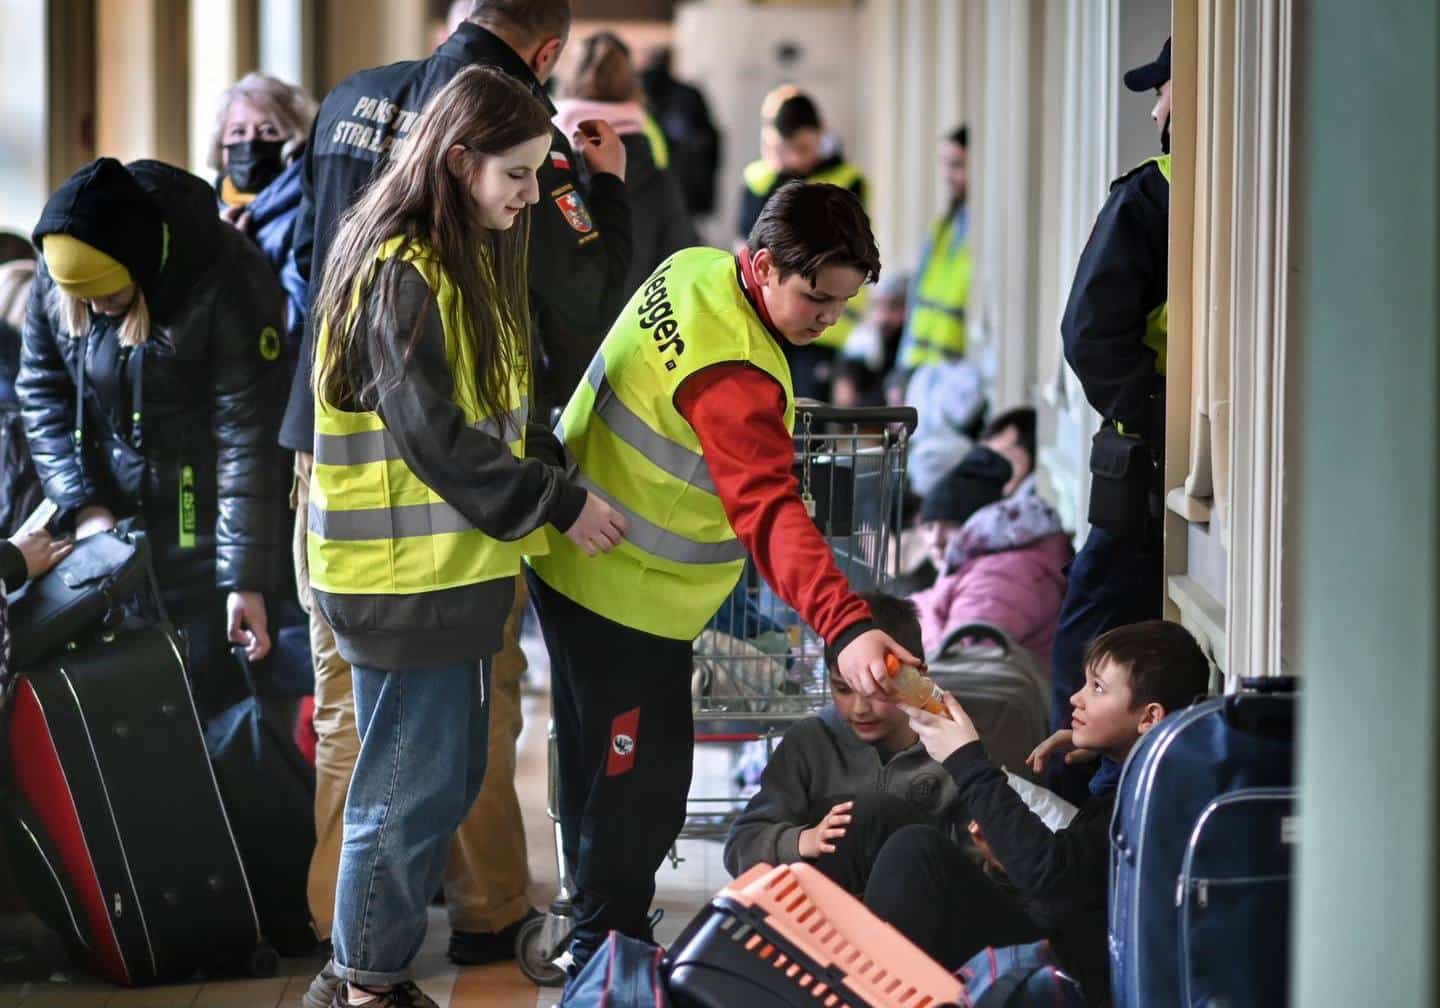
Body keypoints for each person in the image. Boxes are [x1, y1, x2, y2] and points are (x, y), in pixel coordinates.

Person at [287, 0, 633, 980]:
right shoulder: (401, 270)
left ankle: (364, 969)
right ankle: (364, 981)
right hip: (402, 580)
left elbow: (494, 409)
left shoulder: (463, 254)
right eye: (518, 176)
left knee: (433, 786)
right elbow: (435, 436)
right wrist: (558, 501)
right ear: (456, 163)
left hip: (449, 570)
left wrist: (550, 466)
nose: (532, 196)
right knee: (398, 799)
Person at [527, 181, 920, 975]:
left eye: (842, 304)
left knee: (599, 769)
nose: (827, 320)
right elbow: (770, 511)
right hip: (624, 592)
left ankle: (601, 935)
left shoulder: (695, 269)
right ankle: (606, 955)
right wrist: (845, 624)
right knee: (640, 788)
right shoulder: (735, 374)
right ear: (765, 265)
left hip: (574, 555)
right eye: (816, 298)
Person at [20, 156, 290, 717]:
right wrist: (84, 505)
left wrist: (244, 581)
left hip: (205, 523)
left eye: (110, 298)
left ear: (143, 272)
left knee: (211, 700)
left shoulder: (228, 278)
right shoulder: (56, 270)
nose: (95, 310)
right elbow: (42, 393)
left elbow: (247, 438)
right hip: (109, 525)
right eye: (81, 300)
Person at [864, 619, 1210, 1005]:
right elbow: (1079, 879)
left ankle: (857, 990)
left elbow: (1055, 880)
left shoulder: (1148, 805)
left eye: (1097, 688)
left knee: (916, 852)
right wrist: (1108, 749)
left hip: (1073, 978)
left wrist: (967, 759)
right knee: (876, 818)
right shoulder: (1154, 775)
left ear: (1149, 718)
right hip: (1058, 936)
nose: (1076, 698)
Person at [1050, 38, 1172, 804]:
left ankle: (1069, 820)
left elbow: (1088, 335)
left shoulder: (1151, 196)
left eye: (1161, 92)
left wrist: (1156, 419)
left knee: (1087, 653)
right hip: (1179, 469)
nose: (1155, 110)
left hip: (1147, 468)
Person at [723, 592, 966, 893]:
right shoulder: (809, 745)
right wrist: (803, 841)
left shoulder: (951, 748)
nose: (859, 708)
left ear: (916, 679)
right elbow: (740, 848)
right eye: (843, 689)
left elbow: (976, 865)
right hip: (823, 912)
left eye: (875, 689)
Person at [737, 88, 867, 400]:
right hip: (766, 316)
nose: (797, 158)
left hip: (824, 327)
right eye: (788, 149)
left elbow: (832, 245)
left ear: (822, 133)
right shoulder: (758, 177)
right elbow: (752, 238)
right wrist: (779, 173)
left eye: (804, 148)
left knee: (809, 410)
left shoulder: (847, 179)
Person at [554, 31, 698, 298]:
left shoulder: (545, 152)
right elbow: (678, 258)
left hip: (558, 317)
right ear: (632, 85)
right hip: (635, 313)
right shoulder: (652, 142)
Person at [910, 442, 1072, 662]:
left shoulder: (999, 578)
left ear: (980, 527)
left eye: (951, 526)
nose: (936, 541)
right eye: (929, 527)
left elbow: (959, 664)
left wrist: (913, 628)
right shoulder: (984, 567)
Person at [211, 71, 317, 363]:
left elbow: (297, 327)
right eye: (237, 132)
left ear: (296, 142)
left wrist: (242, 258)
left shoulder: (309, 214)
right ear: (221, 147)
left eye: (268, 130)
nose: (250, 142)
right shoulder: (205, 207)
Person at [898, 125, 972, 370]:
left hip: (956, 371)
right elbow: (916, 298)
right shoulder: (942, 228)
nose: (948, 175)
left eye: (957, 165)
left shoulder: (979, 232)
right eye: (945, 164)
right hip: (921, 365)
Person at [639, 47, 721, 219]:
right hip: (683, 189)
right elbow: (709, 142)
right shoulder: (689, 95)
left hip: (643, 188)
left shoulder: (632, 96)